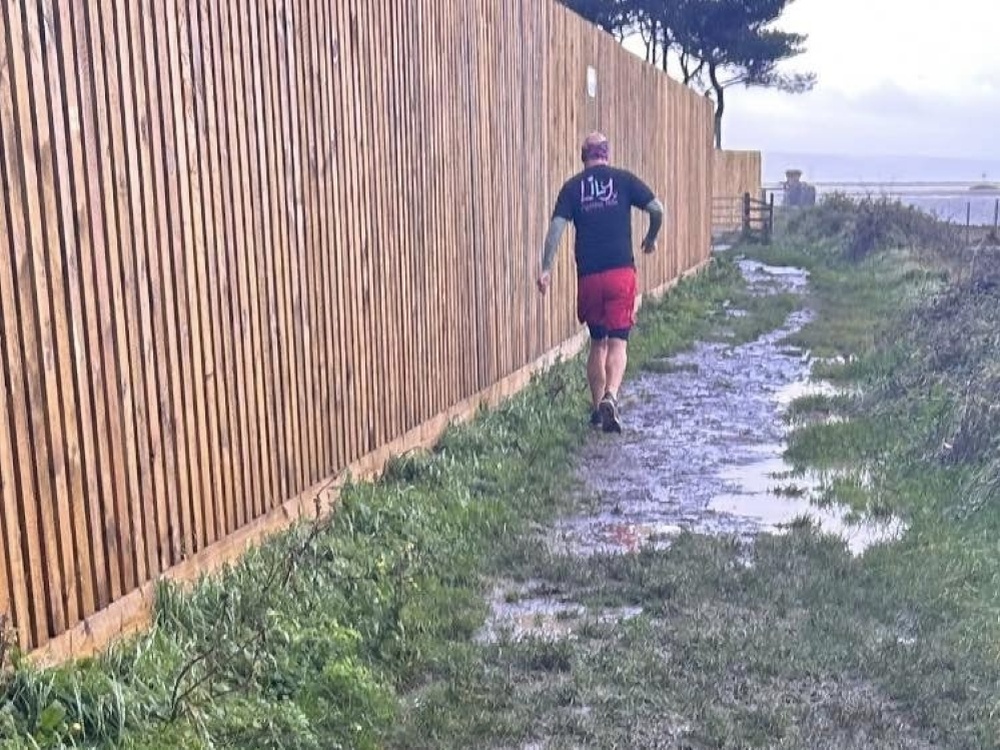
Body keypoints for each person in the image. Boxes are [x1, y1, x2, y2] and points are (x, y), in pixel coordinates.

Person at [536, 132, 664, 433]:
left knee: (597, 341)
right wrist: (651, 238)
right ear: (606, 154)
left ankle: (596, 410)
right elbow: (657, 209)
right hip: (621, 273)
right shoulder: (623, 180)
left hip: (590, 276)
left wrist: (545, 269)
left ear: (584, 155)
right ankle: (611, 396)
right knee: (618, 341)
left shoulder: (572, 188)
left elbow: (556, 229)